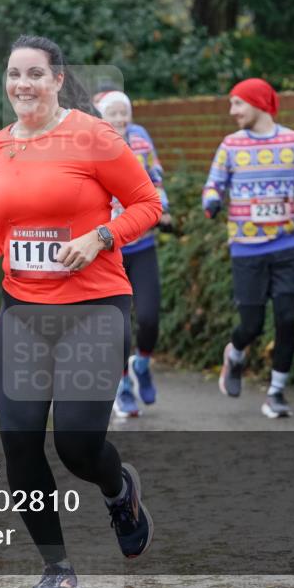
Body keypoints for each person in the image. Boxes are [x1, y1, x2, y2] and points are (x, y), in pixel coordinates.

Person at [0, 35, 160, 588]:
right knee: (19, 443)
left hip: (95, 307)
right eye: (13, 74)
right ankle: (57, 570)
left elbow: (148, 204)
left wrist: (101, 236)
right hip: (25, 310)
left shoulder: (94, 137)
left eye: (33, 74)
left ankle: (119, 490)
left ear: (56, 79)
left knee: (75, 444)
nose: (21, 84)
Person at [203, 78, 294, 419]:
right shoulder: (231, 146)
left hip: (285, 247)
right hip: (246, 251)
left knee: (287, 319)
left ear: (258, 103)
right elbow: (214, 183)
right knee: (251, 324)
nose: (232, 111)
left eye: (237, 103)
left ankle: (276, 392)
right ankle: (235, 354)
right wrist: (212, 201)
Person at [93, 90, 172, 418]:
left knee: (150, 317)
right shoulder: (91, 145)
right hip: (108, 248)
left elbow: (154, 177)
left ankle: (141, 364)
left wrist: (162, 208)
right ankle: (122, 385)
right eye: (113, 113)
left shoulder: (139, 138)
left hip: (141, 243)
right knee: (118, 324)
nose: (121, 119)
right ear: (100, 117)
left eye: (124, 112)